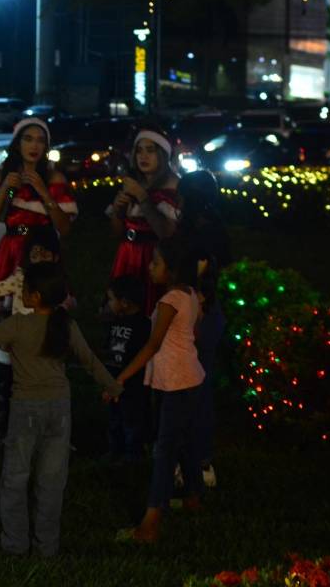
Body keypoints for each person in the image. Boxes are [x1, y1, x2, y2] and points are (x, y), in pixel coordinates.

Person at [0, 263, 123, 557]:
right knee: (52, 482)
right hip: (60, 411)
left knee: (15, 479)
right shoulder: (67, 325)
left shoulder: (18, 325)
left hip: (25, 409)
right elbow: (90, 360)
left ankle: (15, 545)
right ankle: (47, 547)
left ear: (37, 296)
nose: (21, 292)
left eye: (25, 289)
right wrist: (113, 387)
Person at [0, 117, 76, 440]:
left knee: (46, 331)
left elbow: (65, 228)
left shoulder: (54, 178)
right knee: (10, 335)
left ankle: (47, 418)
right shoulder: (0, 175)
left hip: (44, 257)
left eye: (40, 140)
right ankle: (6, 420)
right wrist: (6, 189)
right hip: (11, 257)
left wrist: (42, 192)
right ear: (17, 143)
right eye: (28, 139)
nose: (34, 146)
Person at [108, 237, 206, 543]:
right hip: (190, 377)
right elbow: (195, 330)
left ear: (173, 269)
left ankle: (150, 523)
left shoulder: (168, 301)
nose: (149, 268)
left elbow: (152, 345)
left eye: (156, 263)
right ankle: (192, 497)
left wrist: (120, 379)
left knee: (164, 450)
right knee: (185, 441)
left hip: (176, 382)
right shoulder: (190, 295)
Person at [0, 226, 73, 443]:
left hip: (46, 351)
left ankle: (50, 435)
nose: (39, 258)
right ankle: (10, 433)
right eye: (34, 253)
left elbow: (65, 313)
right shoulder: (20, 279)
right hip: (19, 351)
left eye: (44, 253)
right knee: (12, 390)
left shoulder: (58, 284)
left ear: (55, 256)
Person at [177, 170, 232, 487]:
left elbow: (198, 277)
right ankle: (198, 459)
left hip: (197, 317)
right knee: (200, 388)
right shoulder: (216, 230)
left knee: (193, 391)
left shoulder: (199, 236)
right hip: (209, 314)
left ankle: (198, 462)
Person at [108, 124, 180, 315]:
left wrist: (143, 198)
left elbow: (166, 233)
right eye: (139, 151)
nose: (143, 156)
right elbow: (118, 232)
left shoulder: (173, 188)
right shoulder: (133, 183)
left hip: (151, 258)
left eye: (150, 151)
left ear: (163, 155)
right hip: (127, 255)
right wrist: (118, 211)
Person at [100, 275, 151, 463]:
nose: (108, 303)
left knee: (132, 421)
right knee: (115, 419)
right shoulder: (115, 322)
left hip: (132, 386)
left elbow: (139, 356)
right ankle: (115, 450)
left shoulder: (142, 325)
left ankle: (132, 456)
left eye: (111, 299)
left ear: (125, 302)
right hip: (114, 380)